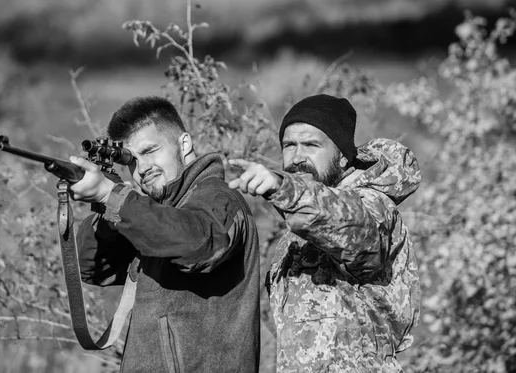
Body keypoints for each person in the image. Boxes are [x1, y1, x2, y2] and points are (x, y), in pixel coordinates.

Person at [228, 94, 421, 372]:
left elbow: (351, 226)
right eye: (289, 146)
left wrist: (283, 188)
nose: (297, 158)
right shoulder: (296, 232)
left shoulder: (374, 206)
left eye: (311, 145)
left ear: (343, 157)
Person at [68, 96, 261, 372]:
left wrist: (114, 197)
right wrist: (109, 210)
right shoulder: (152, 214)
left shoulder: (219, 199)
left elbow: (197, 245)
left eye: (150, 151)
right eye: (131, 161)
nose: (142, 168)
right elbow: (91, 267)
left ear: (183, 144)